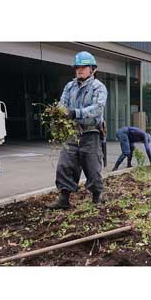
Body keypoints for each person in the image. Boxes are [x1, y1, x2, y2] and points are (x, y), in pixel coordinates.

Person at [46, 51, 108, 209]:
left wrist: (76, 113)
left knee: (93, 168)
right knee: (65, 165)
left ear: (92, 69)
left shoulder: (98, 88)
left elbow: (97, 109)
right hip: (73, 133)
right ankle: (64, 199)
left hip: (91, 132)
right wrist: (59, 111)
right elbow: (62, 103)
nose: (80, 70)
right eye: (77, 67)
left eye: (84, 67)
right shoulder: (69, 86)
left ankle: (96, 197)